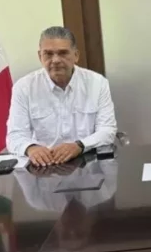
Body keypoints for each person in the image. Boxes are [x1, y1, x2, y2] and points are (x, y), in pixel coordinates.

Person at [6, 26, 117, 166]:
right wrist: (31, 148)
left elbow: (107, 130)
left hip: (86, 164)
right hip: (43, 166)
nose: (56, 60)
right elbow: (15, 136)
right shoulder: (24, 87)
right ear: (40, 56)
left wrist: (80, 145)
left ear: (76, 55)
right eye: (48, 54)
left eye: (63, 53)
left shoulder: (97, 83)